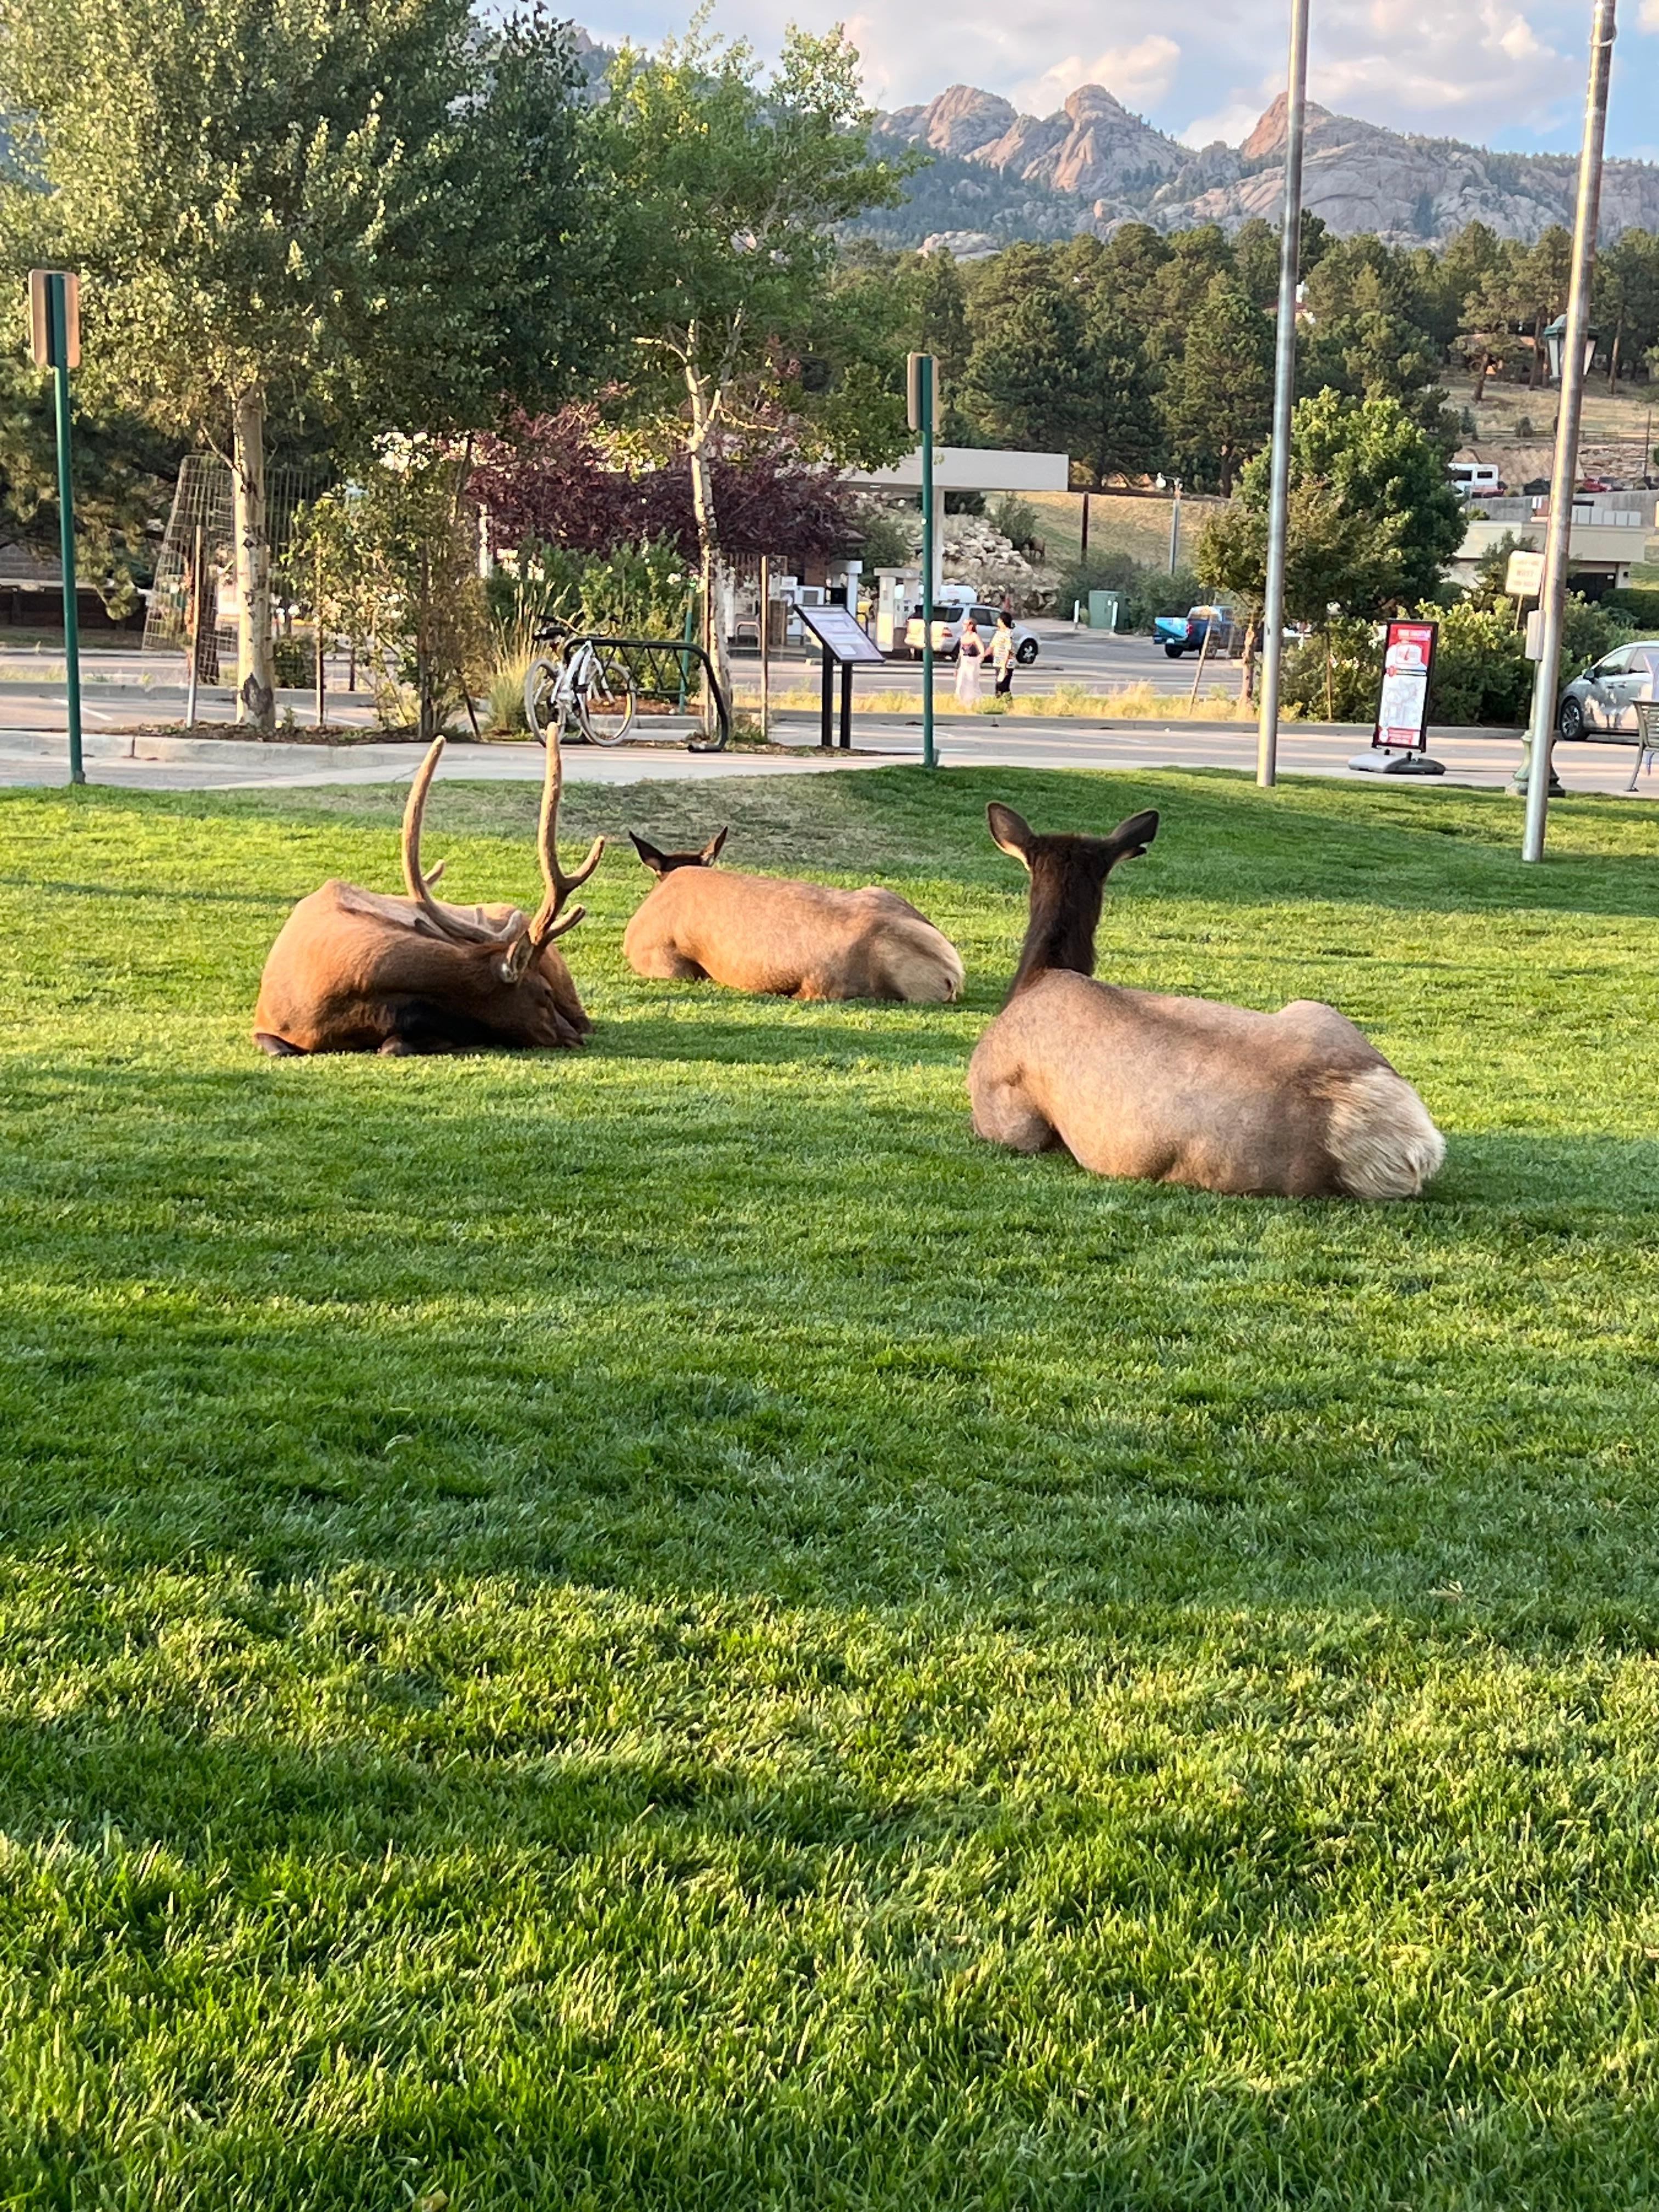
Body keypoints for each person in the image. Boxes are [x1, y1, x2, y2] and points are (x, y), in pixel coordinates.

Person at [953, 614, 985, 706]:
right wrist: (957, 667)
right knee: (961, 682)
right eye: (963, 624)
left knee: (972, 683)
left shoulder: (975, 636)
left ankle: (975, 703)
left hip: (972, 662)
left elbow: (982, 651)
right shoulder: (963, 637)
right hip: (964, 661)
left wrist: (978, 661)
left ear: (971, 626)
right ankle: (962, 703)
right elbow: (960, 654)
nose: (964, 626)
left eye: (966, 624)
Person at [991, 610, 1018, 699]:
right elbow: (992, 646)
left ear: (1003, 621)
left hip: (1006, 663)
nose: (997, 620)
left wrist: (1004, 666)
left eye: (999, 619)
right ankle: (1000, 701)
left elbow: (1008, 650)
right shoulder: (999, 633)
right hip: (998, 662)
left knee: (1003, 685)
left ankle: (1007, 703)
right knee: (999, 684)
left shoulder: (1008, 634)